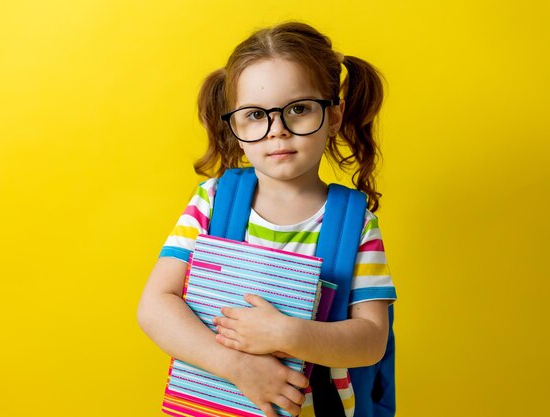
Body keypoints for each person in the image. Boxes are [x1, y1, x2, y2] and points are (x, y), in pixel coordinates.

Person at [137, 21, 397, 417]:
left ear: (334, 116)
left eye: (298, 109)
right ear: (236, 127)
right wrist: (237, 366)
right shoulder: (212, 201)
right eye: (256, 115)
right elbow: (155, 306)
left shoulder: (355, 223)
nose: (277, 131)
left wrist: (289, 334)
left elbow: (371, 341)